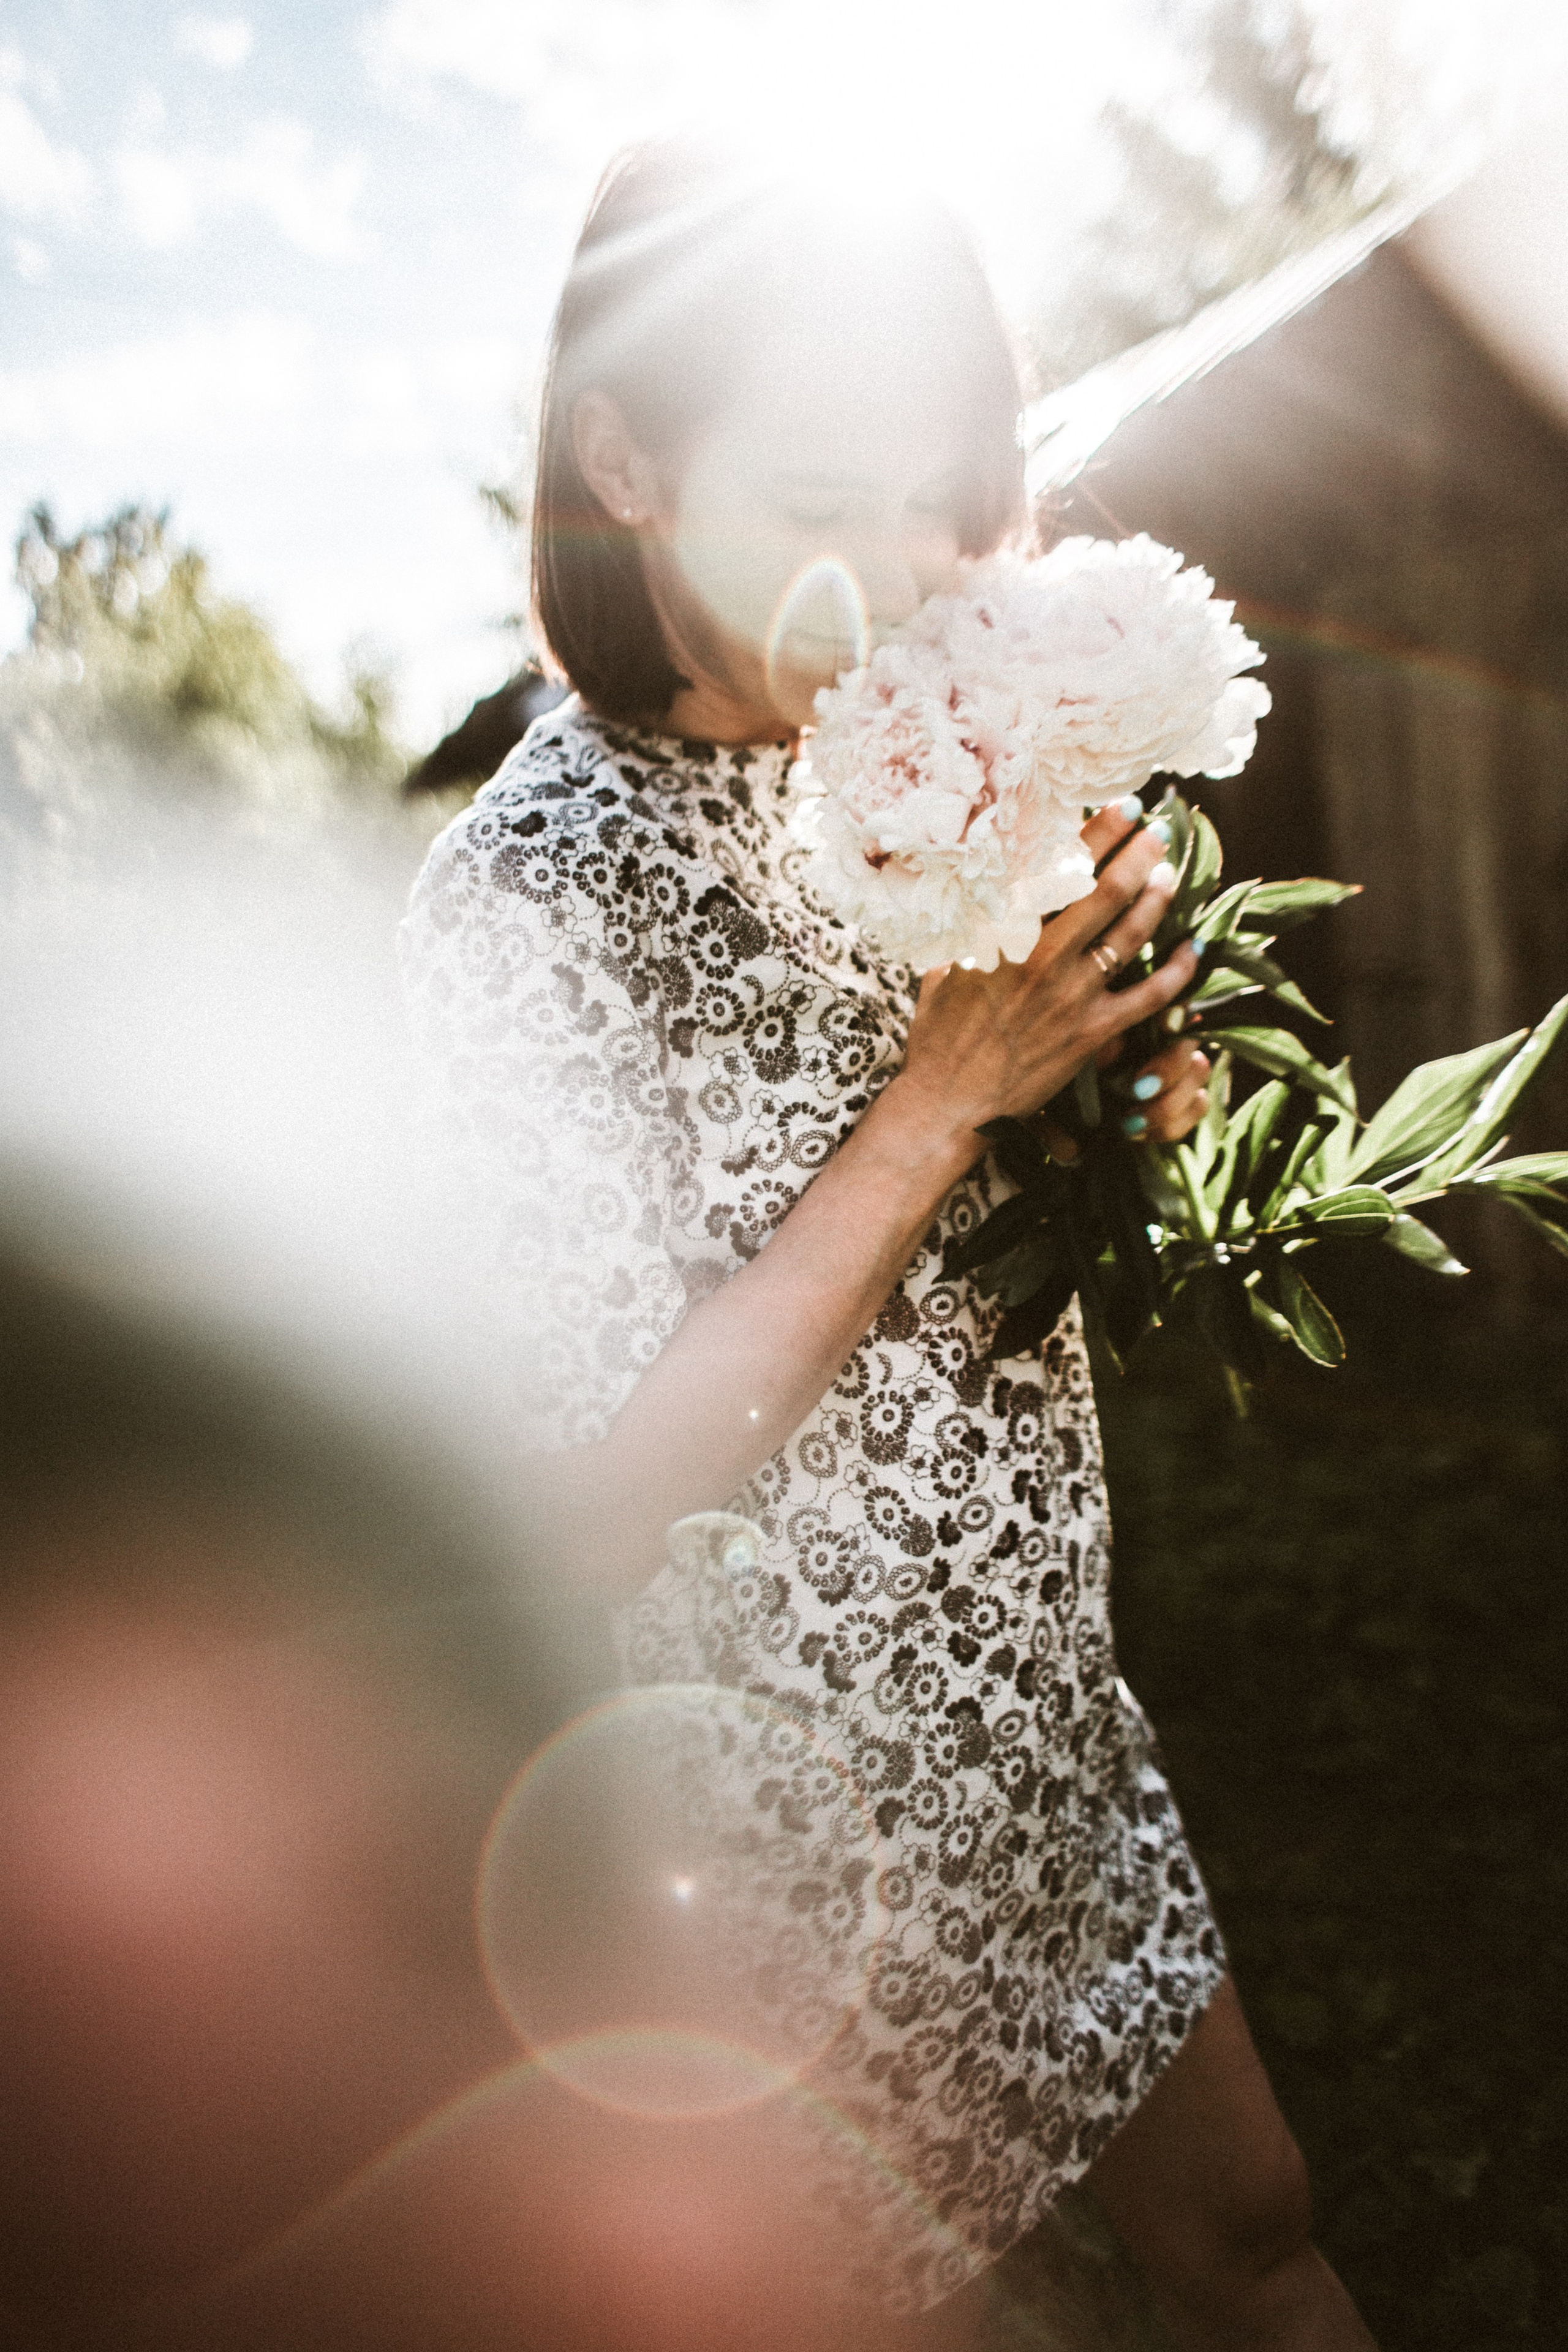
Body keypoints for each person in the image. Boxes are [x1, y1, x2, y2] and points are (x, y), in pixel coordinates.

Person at [401, 142, 1377, 2349]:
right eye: (827, 486)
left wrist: (1134, 1032)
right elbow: (577, 1506)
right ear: (627, 460)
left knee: (1255, 2227)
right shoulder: (526, 908)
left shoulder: (946, 752)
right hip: (748, 1871)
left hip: (1034, 1749)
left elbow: (1121, 1173)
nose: (914, 568)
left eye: (949, 496)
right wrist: (941, 1098)